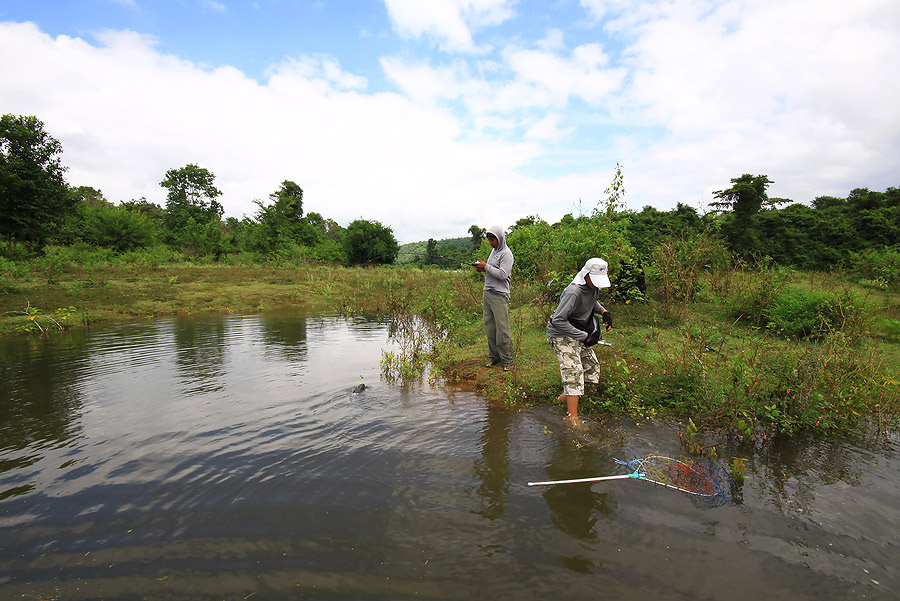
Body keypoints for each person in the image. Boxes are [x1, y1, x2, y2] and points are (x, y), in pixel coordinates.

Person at [546, 258, 614, 428]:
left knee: (592, 366)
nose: (597, 285)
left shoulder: (592, 288)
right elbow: (558, 320)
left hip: (577, 331)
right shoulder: (573, 292)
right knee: (574, 371)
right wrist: (584, 337)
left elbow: (592, 302)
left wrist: (603, 311)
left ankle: (565, 396)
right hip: (560, 334)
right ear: (586, 275)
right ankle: (572, 419)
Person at [474, 226, 515, 371]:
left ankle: (508, 360)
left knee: (502, 328)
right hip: (488, 293)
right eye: (489, 239)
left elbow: (503, 274)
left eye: (493, 239)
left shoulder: (506, 254)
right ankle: (494, 357)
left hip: (499, 295)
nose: (491, 242)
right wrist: (481, 267)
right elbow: (491, 270)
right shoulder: (494, 251)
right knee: (490, 327)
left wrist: (486, 267)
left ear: (500, 239)